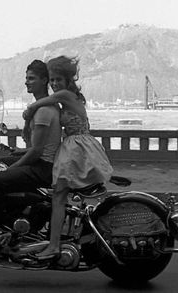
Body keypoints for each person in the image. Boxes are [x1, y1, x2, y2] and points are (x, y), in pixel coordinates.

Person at [0, 60, 61, 261]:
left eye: (32, 78)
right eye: (26, 78)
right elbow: (37, 147)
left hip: (43, 167)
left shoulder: (43, 110)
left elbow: (37, 152)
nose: (27, 82)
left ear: (44, 80)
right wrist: (16, 154)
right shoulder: (44, 106)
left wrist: (14, 166)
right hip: (42, 162)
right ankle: (8, 228)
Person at [23, 55, 113, 260]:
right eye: (52, 80)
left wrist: (29, 112)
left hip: (76, 147)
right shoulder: (72, 97)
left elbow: (40, 103)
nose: (54, 84)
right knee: (60, 195)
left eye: (57, 80)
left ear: (67, 81)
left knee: (59, 196)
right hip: (77, 145)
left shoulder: (64, 95)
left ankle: (54, 245)